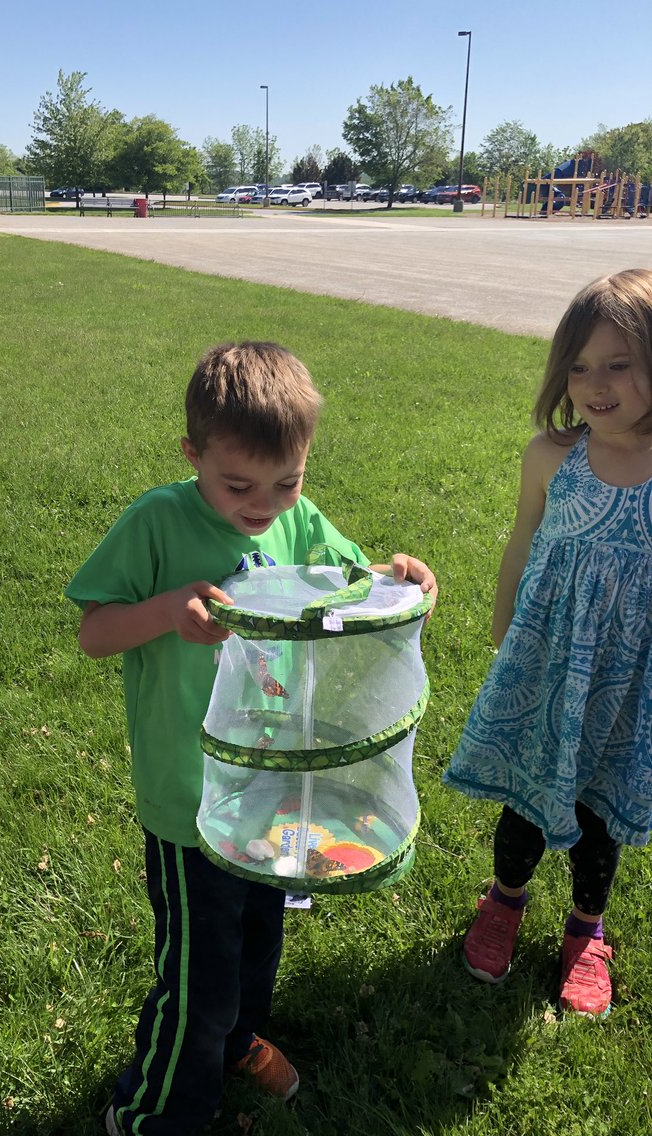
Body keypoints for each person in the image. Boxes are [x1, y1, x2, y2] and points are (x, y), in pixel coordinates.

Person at [66, 341, 437, 1136]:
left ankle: (235, 1040)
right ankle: (156, 1109)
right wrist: (167, 611)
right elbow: (95, 633)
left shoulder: (296, 520)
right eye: (238, 484)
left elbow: (350, 584)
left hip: (274, 788)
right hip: (190, 803)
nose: (264, 502)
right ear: (192, 454)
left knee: (258, 943)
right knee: (197, 973)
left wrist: (400, 578)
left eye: (287, 481)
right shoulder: (159, 523)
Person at [444, 268, 652, 1017]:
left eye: (619, 364)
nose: (596, 383)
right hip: (549, 662)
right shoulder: (551, 455)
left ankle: (586, 929)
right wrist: (506, 629)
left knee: (599, 810)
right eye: (580, 365)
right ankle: (503, 900)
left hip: (628, 682)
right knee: (530, 794)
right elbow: (521, 541)